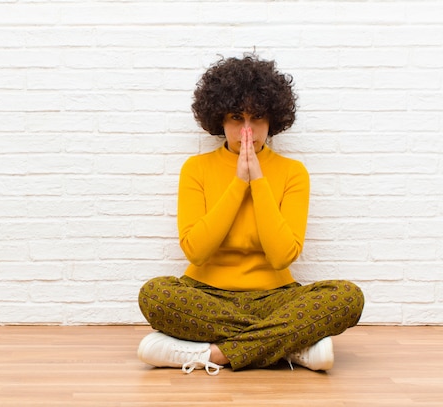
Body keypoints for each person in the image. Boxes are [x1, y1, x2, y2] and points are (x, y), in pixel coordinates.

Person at [137, 54, 364, 375]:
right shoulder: (196, 169)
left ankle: (214, 354)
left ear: (273, 119)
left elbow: (282, 256)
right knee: (156, 295)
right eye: (235, 118)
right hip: (205, 296)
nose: (247, 130)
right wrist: (238, 183)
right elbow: (196, 252)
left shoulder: (292, 172)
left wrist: (258, 181)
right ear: (219, 119)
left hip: (275, 297)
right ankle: (292, 346)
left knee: (346, 297)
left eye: (256, 117)